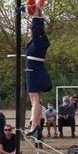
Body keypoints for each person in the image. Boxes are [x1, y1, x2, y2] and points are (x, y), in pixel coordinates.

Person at [25, 8, 52, 138]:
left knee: (35, 99)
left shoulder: (38, 41)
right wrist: (40, 17)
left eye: (29, 30)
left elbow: (36, 30)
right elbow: (40, 30)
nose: (28, 33)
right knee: (34, 99)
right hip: (34, 70)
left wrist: (35, 17)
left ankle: (34, 125)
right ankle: (34, 122)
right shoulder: (42, 40)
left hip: (34, 71)